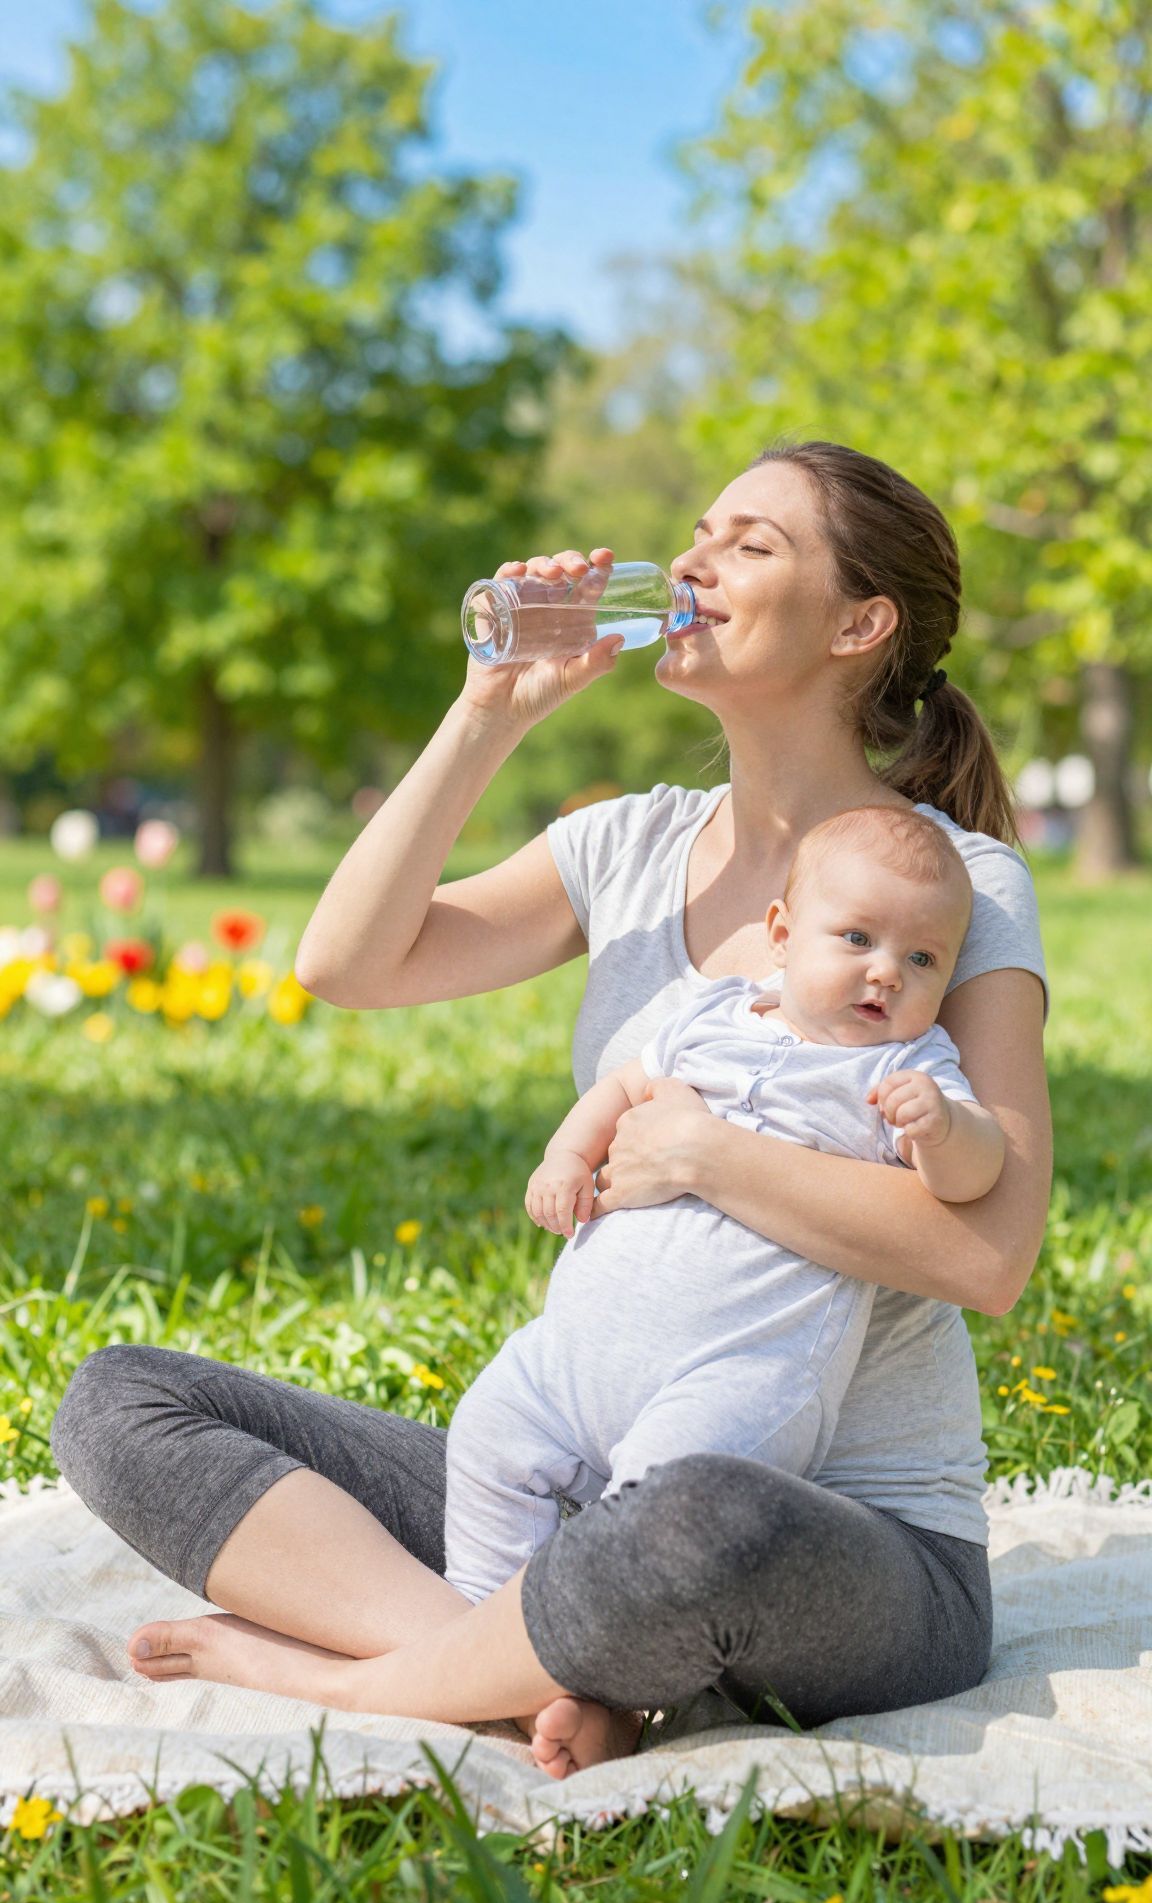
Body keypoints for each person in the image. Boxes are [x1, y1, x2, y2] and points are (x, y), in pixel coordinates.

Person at [49, 439, 1051, 1783]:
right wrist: (490, 713)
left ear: (861, 624)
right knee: (124, 1404)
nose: (691, 564)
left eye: (752, 545)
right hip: (579, 1488)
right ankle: (535, 1672)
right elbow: (347, 965)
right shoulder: (628, 846)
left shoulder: (956, 897)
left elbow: (988, 1256)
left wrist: (701, 1151)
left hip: (833, 1539)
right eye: (697, 533)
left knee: (694, 1524)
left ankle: (376, 1678)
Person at [444, 805, 1006, 1607]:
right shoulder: (715, 1016)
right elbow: (625, 1088)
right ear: (781, 934)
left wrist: (945, 1127)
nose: (887, 972)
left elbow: (976, 1175)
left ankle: (572, 1655)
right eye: (857, 939)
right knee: (489, 1429)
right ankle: (475, 1616)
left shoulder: (909, 1064)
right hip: (576, 1356)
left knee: (662, 1506)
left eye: (922, 959)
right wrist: (567, 1155)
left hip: (745, 1371)